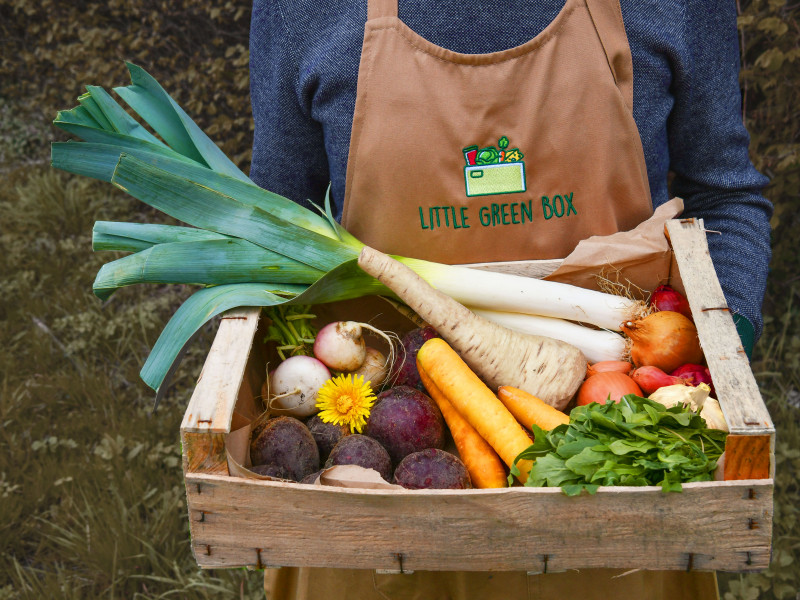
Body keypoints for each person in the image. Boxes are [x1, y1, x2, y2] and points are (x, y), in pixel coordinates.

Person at [248, 0, 773, 598]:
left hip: (616, 517)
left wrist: (713, 372)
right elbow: (276, 229)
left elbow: (725, 195)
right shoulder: (304, 12)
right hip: (372, 505)